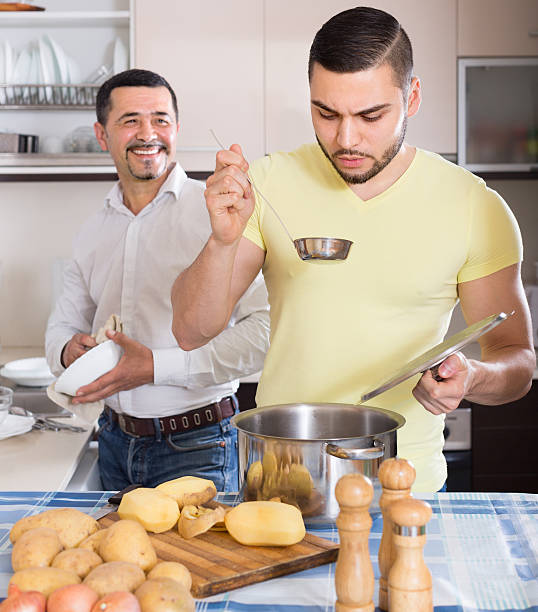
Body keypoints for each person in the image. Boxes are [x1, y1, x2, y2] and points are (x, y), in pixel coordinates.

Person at [170, 7, 535, 492]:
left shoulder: (475, 207)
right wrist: (222, 241)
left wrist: (472, 378)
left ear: (413, 97)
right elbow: (191, 330)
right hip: (282, 480)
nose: (346, 139)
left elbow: (517, 361)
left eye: (371, 115)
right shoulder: (268, 183)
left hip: (405, 484)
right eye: (326, 114)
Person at [46, 69, 270, 492]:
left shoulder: (220, 215)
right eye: (130, 120)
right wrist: (68, 350)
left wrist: (155, 367)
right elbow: (60, 326)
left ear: (177, 129)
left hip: (200, 443)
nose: (148, 133)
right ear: (101, 133)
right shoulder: (92, 230)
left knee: (198, 561)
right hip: (112, 441)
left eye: (161, 119)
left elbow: (264, 334)